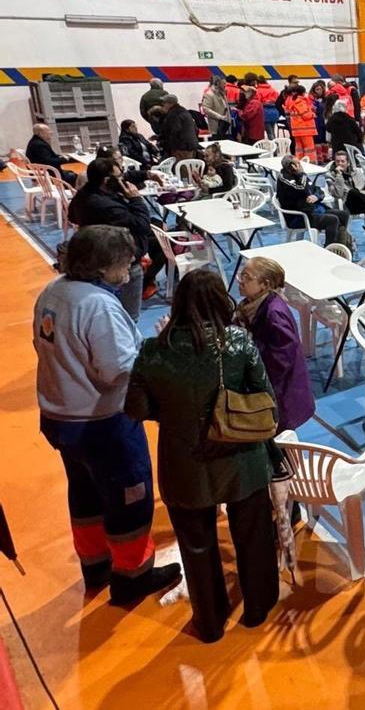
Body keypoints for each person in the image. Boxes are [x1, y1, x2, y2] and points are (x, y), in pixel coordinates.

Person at [125, 269, 279, 643]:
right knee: (253, 536)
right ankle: (258, 608)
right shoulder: (239, 343)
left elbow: (136, 407)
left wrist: (176, 411)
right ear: (220, 301)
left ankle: (209, 621)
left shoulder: (152, 350)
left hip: (183, 460)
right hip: (240, 454)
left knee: (197, 546)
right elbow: (265, 397)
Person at [33, 226, 182, 606]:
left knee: (85, 494)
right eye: (126, 261)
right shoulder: (97, 305)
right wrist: (159, 355)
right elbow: (116, 369)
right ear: (103, 267)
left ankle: (94, 565)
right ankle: (133, 576)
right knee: (129, 498)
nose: (135, 265)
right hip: (101, 421)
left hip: (60, 415)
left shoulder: (54, 291)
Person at [68, 157, 165, 313]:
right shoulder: (105, 206)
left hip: (97, 251)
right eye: (119, 177)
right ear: (107, 180)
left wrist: (147, 174)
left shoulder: (85, 193)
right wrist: (136, 200)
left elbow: (71, 216)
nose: (123, 179)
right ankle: (147, 282)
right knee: (130, 314)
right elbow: (142, 225)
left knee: (159, 243)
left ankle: (149, 279)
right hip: (122, 258)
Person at [233, 257, 316, 433]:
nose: (240, 280)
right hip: (271, 389)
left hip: (282, 393)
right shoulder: (252, 303)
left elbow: (282, 359)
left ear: (265, 284)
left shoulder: (274, 313)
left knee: (280, 447)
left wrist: (247, 354)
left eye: (247, 277)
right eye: (241, 274)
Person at [276, 155, 350, 248]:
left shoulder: (300, 176)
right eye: (298, 163)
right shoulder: (285, 179)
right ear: (292, 166)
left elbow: (318, 190)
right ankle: (329, 250)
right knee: (332, 220)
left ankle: (340, 245)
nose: (300, 165)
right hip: (298, 216)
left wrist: (316, 196)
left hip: (313, 208)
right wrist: (301, 174)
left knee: (343, 215)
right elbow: (302, 188)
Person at [284, 86, 318, 160]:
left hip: (297, 130)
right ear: (303, 93)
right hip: (305, 130)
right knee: (309, 149)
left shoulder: (292, 101)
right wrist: (313, 114)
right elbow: (305, 115)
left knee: (299, 149)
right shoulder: (300, 102)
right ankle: (310, 163)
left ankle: (299, 161)